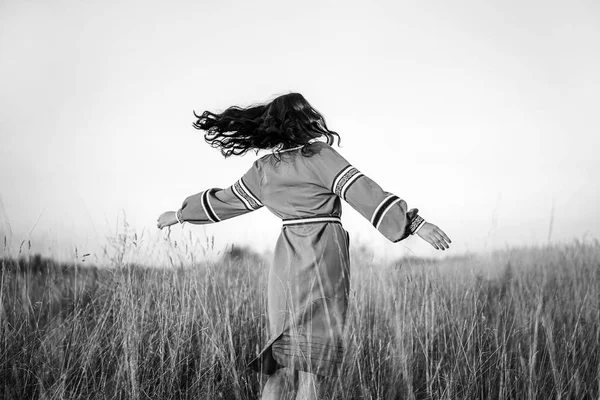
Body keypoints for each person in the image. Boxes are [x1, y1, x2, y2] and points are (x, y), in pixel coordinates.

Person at [157, 92, 451, 399]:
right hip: (325, 253)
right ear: (305, 119)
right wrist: (415, 223)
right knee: (313, 360)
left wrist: (179, 215)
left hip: (286, 262)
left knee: (281, 359)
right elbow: (364, 192)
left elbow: (225, 202)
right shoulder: (320, 156)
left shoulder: (264, 170)